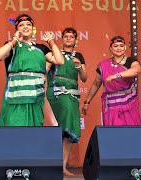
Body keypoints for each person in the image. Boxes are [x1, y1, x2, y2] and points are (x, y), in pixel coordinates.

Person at [0, 14, 64, 127]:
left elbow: (60, 61)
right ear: (17, 30)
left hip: (36, 98)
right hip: (15, 98)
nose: (25, 27)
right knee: (15, 130)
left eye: (28, 24)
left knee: (34, 133)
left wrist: (51, 42)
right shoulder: (12, 46)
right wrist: (14, 41)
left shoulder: (41, 48)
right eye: (21, 25)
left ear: (33, 28)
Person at [46, 28, 87, 176]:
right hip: (58, 92)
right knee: (65, 126)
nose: (69, 39)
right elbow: (46, 70)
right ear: (62, 39)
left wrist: (78, 66)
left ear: (76, 40)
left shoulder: (79, 56)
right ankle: (51, 162)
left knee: (67, 129)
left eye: (72, 37)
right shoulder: (55, 53)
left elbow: (84, 78)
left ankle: (61, 165)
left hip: (73, 94)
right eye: (66, 36)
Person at [82, 36, 141, 126]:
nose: (119, 48)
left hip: (129, 103)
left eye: (121, 46)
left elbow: (137, 70)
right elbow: (96, 84)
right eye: (115, 46)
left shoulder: (131, 60)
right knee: (113, 134)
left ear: (125, 47)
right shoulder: (103, 65)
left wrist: (116, 75)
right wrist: (87, 102)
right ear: (110, 48)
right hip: (111, 105)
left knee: (131, 133)